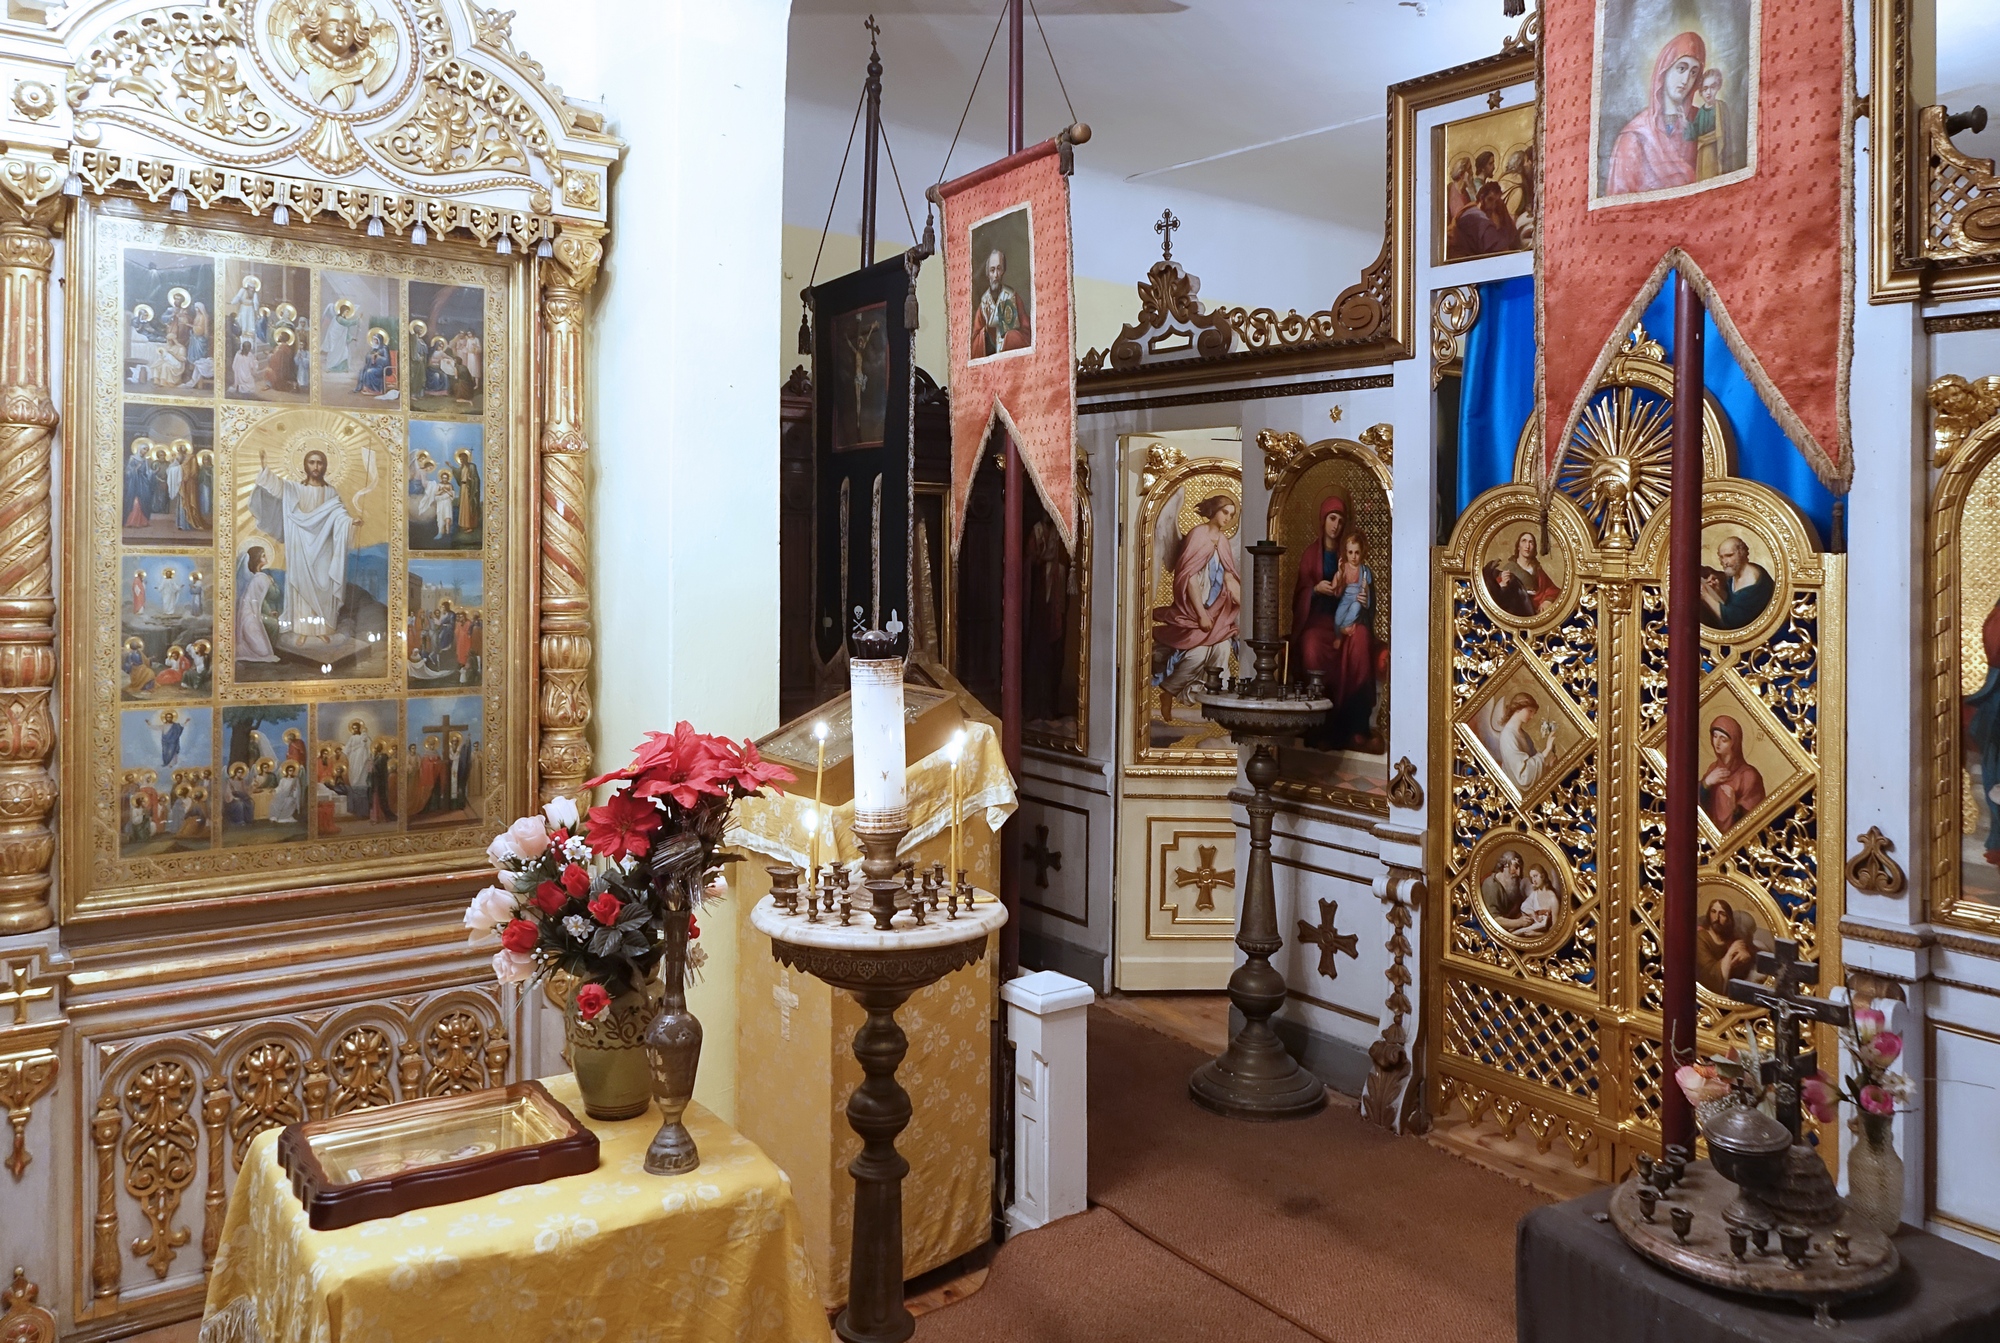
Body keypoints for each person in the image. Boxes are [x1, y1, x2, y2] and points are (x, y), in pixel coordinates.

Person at [1292, 496, 1381, 748]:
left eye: (1341, 521)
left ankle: (1355, 726)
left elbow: (1364, 589)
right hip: (1319, 619)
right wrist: (1314, 589)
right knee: (1310, 643)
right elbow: (1299, 594)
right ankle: (1321, 726)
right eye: (1332, 519)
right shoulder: (1311, 554)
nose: (1336, 526)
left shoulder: (1349, 552)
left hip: (1349, 618)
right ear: (1322, 520)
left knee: (1362, 639)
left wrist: (1365, 600)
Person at [249, 449, 356, 645]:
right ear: (305, 465)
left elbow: (339, 514)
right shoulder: (294, 489)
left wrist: (349, 522)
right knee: (300, 585)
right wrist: (265, 468)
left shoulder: (331, 492)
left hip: (324, 547)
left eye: (320, 463)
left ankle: (324, 628)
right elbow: (276, 486)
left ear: (325, 466)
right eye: (312, 462)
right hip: (300, 547)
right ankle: (302, 630)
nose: (316, 467)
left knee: (324, 585)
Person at [1151, 494, 1241, 711]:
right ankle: (1169, 691)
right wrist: (1201, 614)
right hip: (1193, 610)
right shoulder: (1197, 535)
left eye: (1231, 514)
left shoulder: (1224, 542)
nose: (1228, 518)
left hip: (1219, 611)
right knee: (1197, 654)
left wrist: (1244, 606)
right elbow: (1187, 577)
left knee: (1221, 651)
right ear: (1214, 510)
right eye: (1225, 512)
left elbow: (1229, 577)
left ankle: (1214, 700)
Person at [1606, 31, 1705, 196]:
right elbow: (1618, 202)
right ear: (1664, 71)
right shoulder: (1635, 136)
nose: (1686, 79)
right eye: (1681, 68)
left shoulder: (1701, 120)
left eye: (1693, 72)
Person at [1481, 691, 1559, 790]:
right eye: (1530, 711)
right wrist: (1547, 750)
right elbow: (1523, 776)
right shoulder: (1508, 736)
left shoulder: (1524, 735)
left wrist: (1548, 767)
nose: (1532, 717)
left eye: (1534, 713)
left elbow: (1533, 764)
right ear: (1518, 708)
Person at [1701, 715, 1766, 831]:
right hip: (1709, 836)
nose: (1717, 742)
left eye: (1723, 739)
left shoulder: (1749, 775)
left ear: (1734, 742)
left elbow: (1757, 816)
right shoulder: (1713, 769)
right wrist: (1706, 783)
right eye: (1715, 736)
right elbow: (1698, 805)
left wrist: (1735, 807)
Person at [1699, 536, 1774, 629]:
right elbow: (1733, 603)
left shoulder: (1752, 580)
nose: (1724, 562)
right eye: (1721, 557)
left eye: (1729, 555)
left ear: (1742, 553)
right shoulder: (1735, 575)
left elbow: (1733, 621)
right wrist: (1718, 591)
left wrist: (1706, 596)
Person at [1484, 530, 1560, 618]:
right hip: (1517, 608)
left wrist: (1547, 601)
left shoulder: (1537, 570)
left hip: (1535, 611)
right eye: (1524, 541)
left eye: (1531, 542)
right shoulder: (1510, 568)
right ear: (1518, 546)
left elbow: (1551, 589)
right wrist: (1503, 584)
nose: (1527, 546)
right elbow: (1497, 593)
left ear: (1534, 547)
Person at [972, 247, 1030, 358]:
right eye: (992, 270)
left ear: (1003, 271)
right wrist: (986, 331)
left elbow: (1026, 331)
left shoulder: (1012, 296)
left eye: (999, 269)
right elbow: (975, 341)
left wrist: (1011, 336)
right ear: (988, 273)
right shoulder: (984, 303)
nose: (996, 275)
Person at [1696, 897, 1760, 994]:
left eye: (1722, 914)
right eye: (1713, 912)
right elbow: (1710, 975)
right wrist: (1730, 953)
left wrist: (1747, 954)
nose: (1716, 918)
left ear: (1728, 918)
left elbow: (1756, 953)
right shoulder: (1700, 938)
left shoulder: (1731, 937)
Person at [1449, 180, 1520, 259]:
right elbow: (1498, 248)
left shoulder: (1483, 210)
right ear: (1482, 197)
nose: (1493, 206)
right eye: (1490, 199)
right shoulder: (1480, 220)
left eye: (1496, 201)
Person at [235, 546, 279, 664]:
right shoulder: (261, 578)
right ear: (257, 559)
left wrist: (268, 612)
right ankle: (273, 650)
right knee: (274, 624)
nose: (266, 557)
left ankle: (270, 649)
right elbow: (275, 595)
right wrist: (273, 582)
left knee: (271, 622)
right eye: (263, 555)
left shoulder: (255, 577)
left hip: (248, 615)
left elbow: (259, 600)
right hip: (251, 618)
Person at [1691, 67, 1726, 180]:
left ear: (1718, 87)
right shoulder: (1701, 111)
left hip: (1716, 150)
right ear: (1701, 91)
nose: (1709, 92)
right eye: (1705, 89)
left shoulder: (1721, 107)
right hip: (1702, 150)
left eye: (1712, 87)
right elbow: (1694, 131)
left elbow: (1726, 133)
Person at [1480, 851, 1527, 925]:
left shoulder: (1516, 883)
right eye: (1516, 867)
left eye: (1520, 868)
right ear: (1505, 866)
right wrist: (1519, 922)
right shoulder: (1490, 885)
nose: (1518, 873)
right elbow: (1492, 920)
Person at [1517, 866, 1560, 937]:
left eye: (1535, 876)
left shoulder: (1553, 898)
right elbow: (1525, 906)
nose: (1533, 880)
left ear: (1542, 876)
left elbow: (1555, 931)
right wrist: (1533, 915)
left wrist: (1535, 934)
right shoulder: (1534, 894)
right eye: (1532, 877)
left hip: (1542, 935)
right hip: (1531, 926)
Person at [344, 718, 373, 818]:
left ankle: (363, 811)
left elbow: (368, 746)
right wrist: (350, 751)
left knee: (361, 776)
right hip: (353, 758)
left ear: (359, 728)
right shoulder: (352, 738)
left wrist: (365, 740)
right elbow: (346, 749)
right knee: (354, 775)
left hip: (361, 758)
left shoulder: (363, 736)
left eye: (356, 728)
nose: (355, 730)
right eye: (353, 728)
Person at [354, 328, 392, 396]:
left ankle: (376, 390)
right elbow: (367, 357)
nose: (374, 341)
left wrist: (377, 357)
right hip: (373, 366)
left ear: (379, 340)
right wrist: (371, 357)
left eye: (376, 339)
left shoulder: (384, 348)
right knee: (362, 371)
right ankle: (366, 388)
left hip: (381, 368)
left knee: (369, 372)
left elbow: (386, 360)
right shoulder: (374, 348)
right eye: (374, 339)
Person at [368, 738, 397, 823]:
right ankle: (376, 817)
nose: (376, 749)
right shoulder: (376, 757)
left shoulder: (382, 757)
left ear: (381, 748)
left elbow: (380, 769)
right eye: (375, 748)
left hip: (380, 781)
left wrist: (373, 768)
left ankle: (382, 816)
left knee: (380, 798)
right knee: (375, 798)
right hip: (375, 780)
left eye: (378, 748)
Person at [454, 448, 481, 536]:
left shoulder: (472, 466)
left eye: (463, 459)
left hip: (470, 489)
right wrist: (451, 467)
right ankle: (463, 524)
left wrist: (471, 480)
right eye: (460, 459)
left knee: (469, 506)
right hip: (463, 488)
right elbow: (459, 477)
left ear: (466, 458)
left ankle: (470, 525)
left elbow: (476, 478)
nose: (461, 461)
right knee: (463, 506)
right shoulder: (462, 468)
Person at [270, 760, 302, 826]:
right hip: (282, 795)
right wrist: (275, 790)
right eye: (289, 770)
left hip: (291, 796)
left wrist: (295, 790)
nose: (291, 772)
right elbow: (280, 788)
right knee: (275, 802)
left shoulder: (295, 780)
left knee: (288, 801)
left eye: (292, 770)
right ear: (287, 771)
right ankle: (275, 817)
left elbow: (298, 790)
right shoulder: (283, 779)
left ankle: (284, 817)